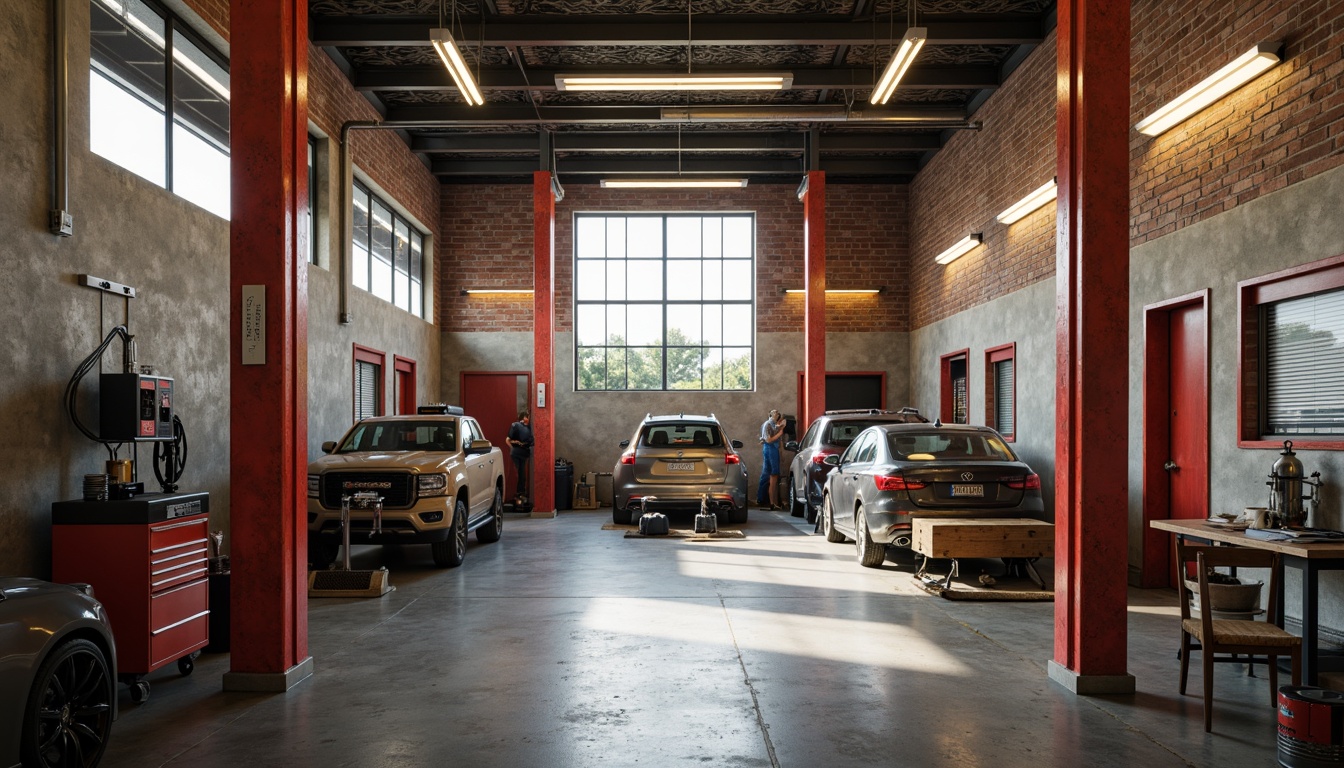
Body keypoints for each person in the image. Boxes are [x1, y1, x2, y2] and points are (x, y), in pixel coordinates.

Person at [757, 409, 785, 509]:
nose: (777, 414)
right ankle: (769, 501)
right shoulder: (768, 424)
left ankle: (770, 501)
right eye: (775, 413)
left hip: (773, 449)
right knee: (772, 474)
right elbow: (768, 440)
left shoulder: (773, 425)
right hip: (770, 449)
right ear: (771, 414)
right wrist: (780, 433)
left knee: (771, 475)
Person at [507, 410, 534, 504]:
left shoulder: (528, 428)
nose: (529, 419)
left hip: (523, 453)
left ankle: (521, 493)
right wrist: (514, 448)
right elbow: (508, 440)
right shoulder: (516, 426)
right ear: (524, 417)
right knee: (519, 473)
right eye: (528, 417)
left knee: (522, 474)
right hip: (517, 453)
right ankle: (518, 494)